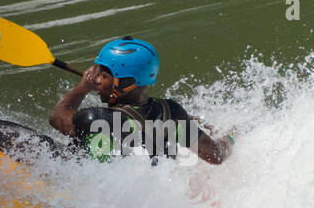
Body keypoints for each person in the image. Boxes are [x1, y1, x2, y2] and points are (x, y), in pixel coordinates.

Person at [49, 37, 233, 165]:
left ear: (125, 83)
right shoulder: (171, 111)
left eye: (103, 76)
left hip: (91, 194)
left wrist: (83, 87)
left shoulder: (96, 118)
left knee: (37, 141)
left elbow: (58, 118)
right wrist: (231, 136)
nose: (97, 80)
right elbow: (217, 155)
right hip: (148, 195)